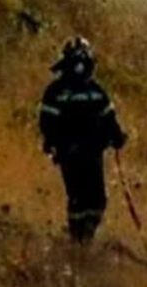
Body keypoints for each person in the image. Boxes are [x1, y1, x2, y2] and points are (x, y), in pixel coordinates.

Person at [39, 37, 127, 243]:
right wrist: (54, 144)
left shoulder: (96, 91)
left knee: (97, 200)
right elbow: (47, 122)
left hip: (93, 153)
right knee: (78, 198)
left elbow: (109, 118)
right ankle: (77, 237)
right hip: (70, 155)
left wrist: (117, 137)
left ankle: (85, 236)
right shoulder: (56, 91)